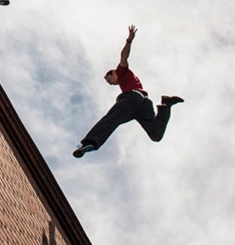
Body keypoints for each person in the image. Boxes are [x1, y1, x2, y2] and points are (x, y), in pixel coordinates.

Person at [73, 25, 184, 158]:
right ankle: (166, 105)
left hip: (132, 99)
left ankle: (89, 143)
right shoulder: (126, 80)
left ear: (114, 73)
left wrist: (129, 41)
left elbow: (124, 57)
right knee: (156, 135)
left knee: (111, 118)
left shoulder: (121, 71)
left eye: (110, 80)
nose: (112, 83)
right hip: (144, 103)